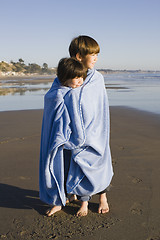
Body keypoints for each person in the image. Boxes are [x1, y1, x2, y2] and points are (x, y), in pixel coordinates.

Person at [39, 35, 113, 217]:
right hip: (70, 132)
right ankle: (66, 197)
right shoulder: (65, 76)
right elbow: (54, 97)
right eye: (93, 54)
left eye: (97, 54)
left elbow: (96, 106)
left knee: (98, 162)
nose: (96, 58)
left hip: (94, 130)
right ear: (79, 56)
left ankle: (103, 196)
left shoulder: (97, 79)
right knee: (69, 163)